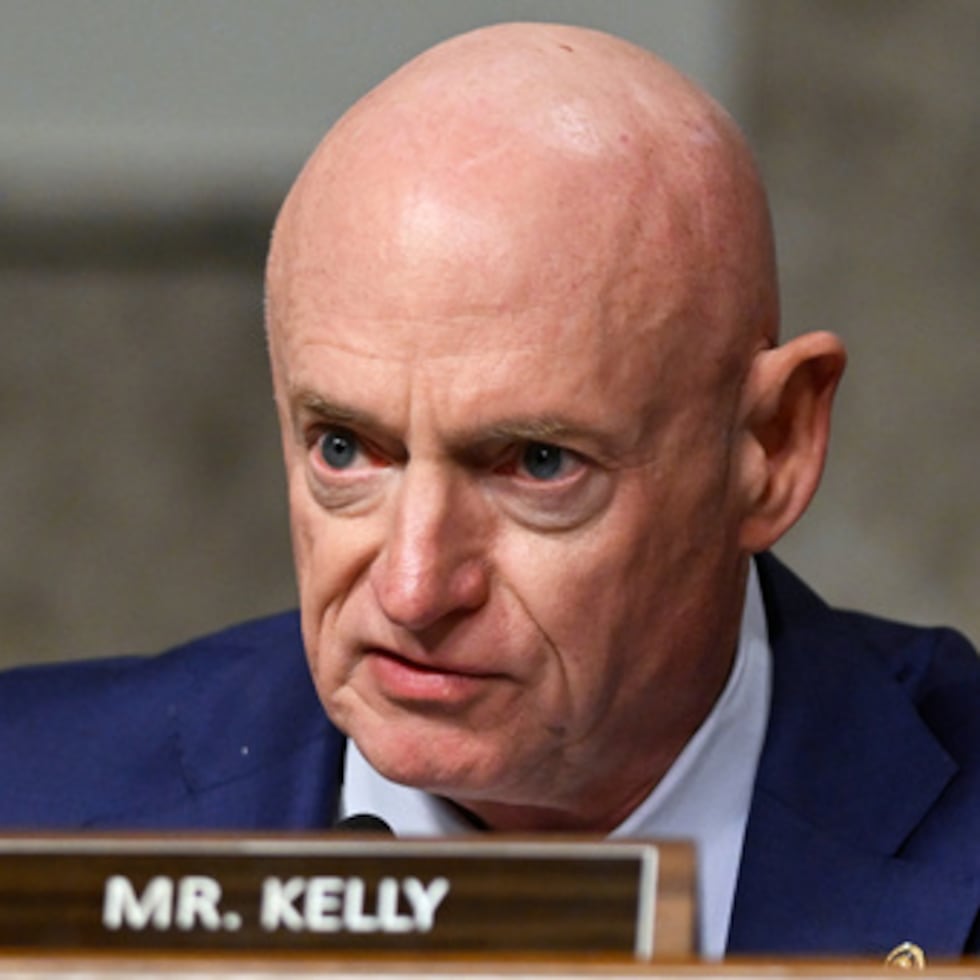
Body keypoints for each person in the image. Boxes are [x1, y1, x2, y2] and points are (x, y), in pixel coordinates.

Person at [1, 22, 977, 959]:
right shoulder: (28, 795)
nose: (414, 590)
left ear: (769, 444)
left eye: (537, 465)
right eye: (345, 448)